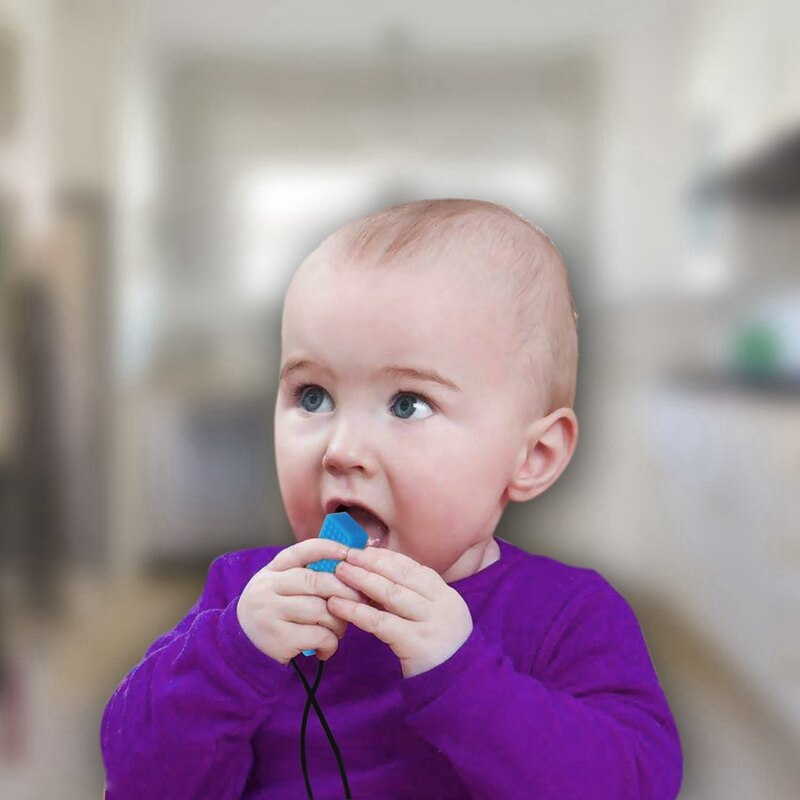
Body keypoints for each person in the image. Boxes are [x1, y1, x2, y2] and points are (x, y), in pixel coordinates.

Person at [100, 199, 682, 799]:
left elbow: (636, 784)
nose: (341, 449)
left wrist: (464, 677)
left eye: (408, 404)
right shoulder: (242, 598)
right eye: (312, 396)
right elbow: (133, 778)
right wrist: (231, 657)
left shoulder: (569, 616)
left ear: (532, 456)